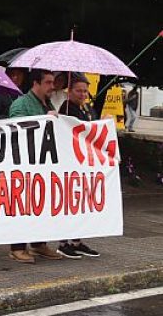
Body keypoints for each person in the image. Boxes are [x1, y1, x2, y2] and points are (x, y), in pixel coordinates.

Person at [7, 69, 62, 264]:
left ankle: (39, 243)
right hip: (23, 164)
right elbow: (15, 129)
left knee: (40, 204)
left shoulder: (45, 103)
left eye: (52, 82)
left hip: (41, 163)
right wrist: (44, 120)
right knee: (22, 205)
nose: (52, 86)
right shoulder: (21, 104)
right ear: (36, 83)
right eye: (48, 82)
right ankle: (17, 247)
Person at [55, 75, 101, 259]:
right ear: (69, 91)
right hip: (69, 162)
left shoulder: (85, 108)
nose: (83, 94)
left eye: (85, 91)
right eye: (78, 90)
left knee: (80, 203)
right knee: (68, 202)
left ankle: (77, 241)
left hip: (82, 162)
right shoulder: (66, 108)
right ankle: (63, 243)